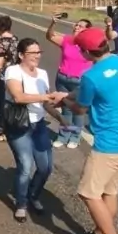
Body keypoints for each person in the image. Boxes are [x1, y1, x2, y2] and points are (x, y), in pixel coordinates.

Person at [55, 28, 118, 234]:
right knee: (109, 191)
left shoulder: (92, 76)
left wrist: (62, 100)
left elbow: (80, 109)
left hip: (111, 145)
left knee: (88, 193)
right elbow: (88, 90)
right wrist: (66, 94)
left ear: (85, 52)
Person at [3, 38, 67, 220]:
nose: (37, 56)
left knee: (46, 168)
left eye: (39, 52)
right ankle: (21, 203)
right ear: (21, 55)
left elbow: (45, 102)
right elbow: (18, 97)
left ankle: (34, 195)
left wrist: (59, 117)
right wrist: (45, 96)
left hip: (38, 124)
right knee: (25, 165)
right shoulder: (12, 71)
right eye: (32, 53)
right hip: (19, 125)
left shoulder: (42, 74)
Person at [45, 15, 93, 149]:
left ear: (87, 31)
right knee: (66, 110)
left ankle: (75, 137)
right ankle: (63, 135)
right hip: (62, 78)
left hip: (79, 82)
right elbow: (50, 36)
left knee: (78, 111)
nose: (77, 27)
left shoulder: (89, 45)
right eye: (76, 25)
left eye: (81, 26)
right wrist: (53, 24)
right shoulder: (67, 40)